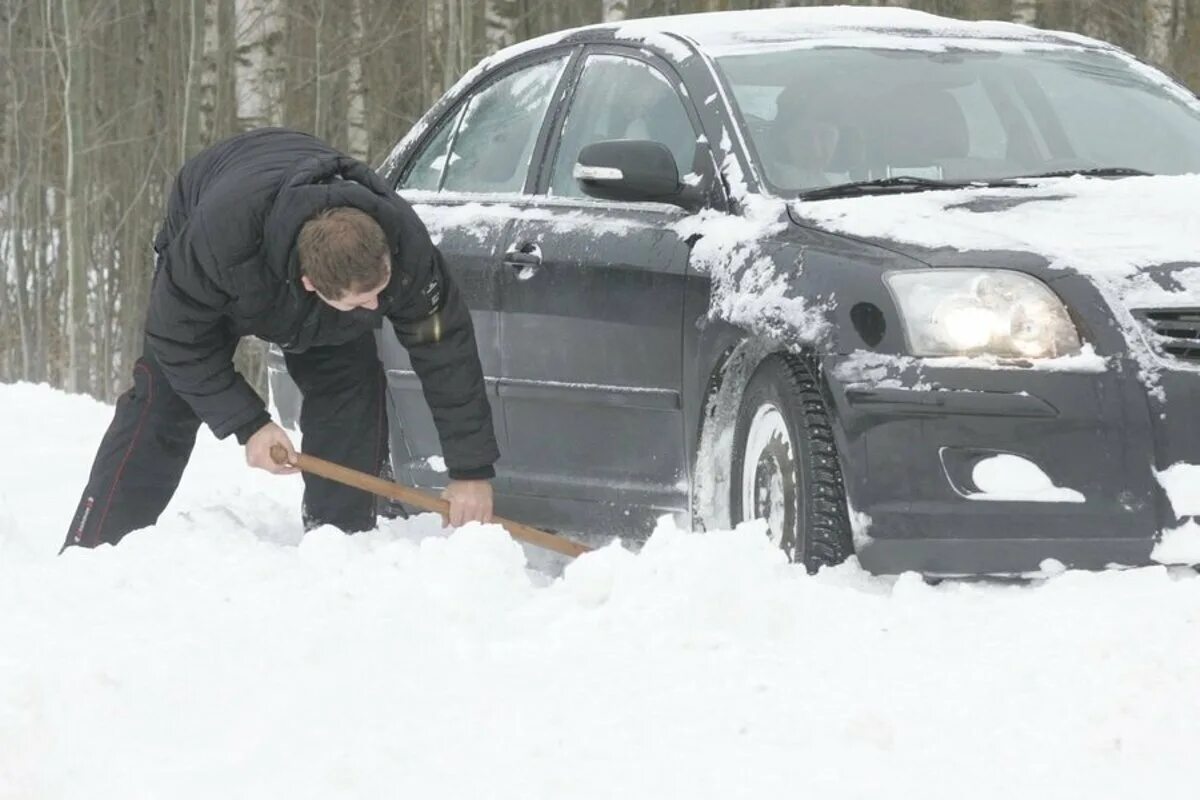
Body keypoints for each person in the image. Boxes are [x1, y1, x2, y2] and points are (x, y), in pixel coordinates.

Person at [62, 128, 500, 551]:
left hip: (292, 222)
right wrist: (249, 424)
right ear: (312, 285)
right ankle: (97, 547)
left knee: (350, 385)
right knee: (166, 399)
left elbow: (446, 350)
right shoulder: (218, 242)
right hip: (226, 225)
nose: (377, 307)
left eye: (381, 292)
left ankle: (339, 543)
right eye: (364, 300)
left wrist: (471, 470)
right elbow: (177, 339)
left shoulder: (407, 249)